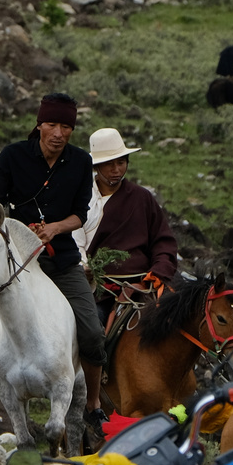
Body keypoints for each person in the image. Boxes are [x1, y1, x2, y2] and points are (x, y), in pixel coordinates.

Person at [0, 93, 107, 444]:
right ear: (39, 125)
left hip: (60, 259)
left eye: (66, 126)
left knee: (91, 331)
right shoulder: (14, 156)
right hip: (14, 260)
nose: (58, 133)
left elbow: (80, 214)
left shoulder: (80, 162)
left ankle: (92, 404)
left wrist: (54, 228)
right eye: (52, 125)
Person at [76, 128, 178, 327]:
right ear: (96, 166)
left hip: (144, 285)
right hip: (100, 292)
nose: (116, 170)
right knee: (90, 329)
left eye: (121, 163)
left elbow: (163, 242)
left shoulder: (142, 198)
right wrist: (84, 268)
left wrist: (158, 272)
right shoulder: (81, 199)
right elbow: (75, 243)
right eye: (109, 164)